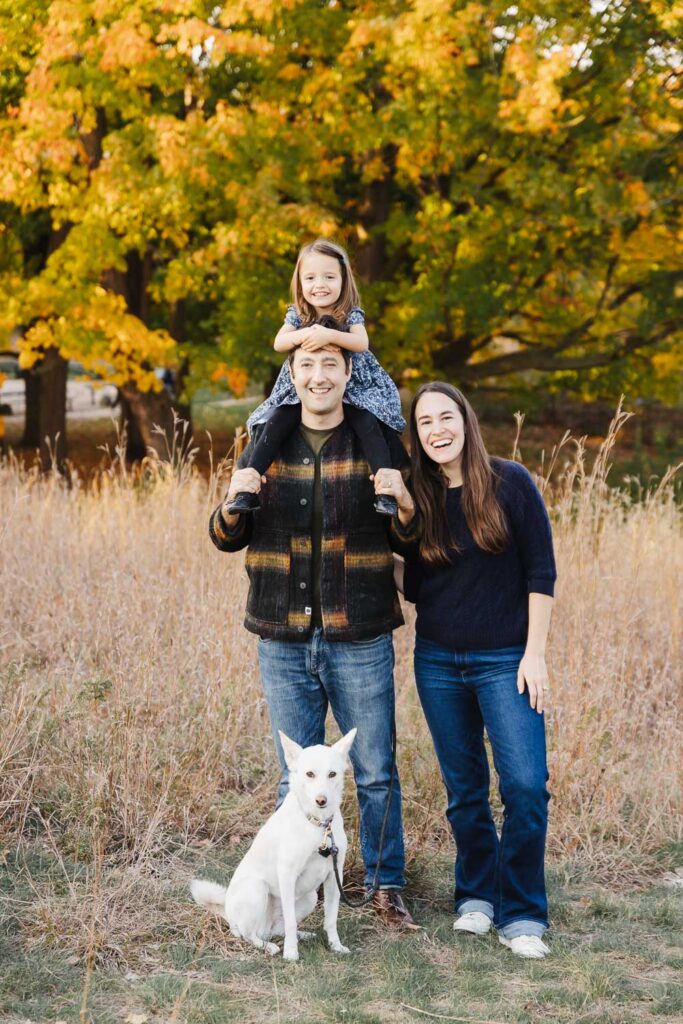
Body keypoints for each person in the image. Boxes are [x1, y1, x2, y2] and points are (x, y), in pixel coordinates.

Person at [209, 341, 421, 930]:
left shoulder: (376, 441)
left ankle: (385, 887)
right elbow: (225, 536)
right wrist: (232, 502)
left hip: (360, 633)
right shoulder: (265, 442)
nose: (319, 376)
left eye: (331, 364)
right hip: (281, 633)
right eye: (307, 365)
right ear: (293, 374)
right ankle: (297, 890)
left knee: (375, 769)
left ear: (349, 373)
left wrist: (405, 502)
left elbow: (411, 537)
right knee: (295, 773)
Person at [402, 382, 557, 959]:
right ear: (416, 436)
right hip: (437, 662)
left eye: (446, 417)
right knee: (465, 790)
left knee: (525, 787)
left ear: (465, 421)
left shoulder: (509, 482)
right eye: (425, 423)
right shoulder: (418, 498)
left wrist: (534, 653)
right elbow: (417, 585)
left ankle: (522, 912)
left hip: (506, 661)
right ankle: (476, 896)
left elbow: (541, 572)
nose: (437, 430)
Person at [227, 238, 404, 518]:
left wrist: (328, 335)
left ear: (343, 280)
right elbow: (279, 343)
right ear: (300, 283)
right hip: (306, 386)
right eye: (310, 278)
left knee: (368, 422)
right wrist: (308, 334)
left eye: (329, 277)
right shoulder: (298, 315)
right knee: (278, 419)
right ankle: (247, 488)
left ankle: (386, 492)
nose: (319, 285)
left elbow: (361, 343)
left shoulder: (350, 313)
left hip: (354, 384)